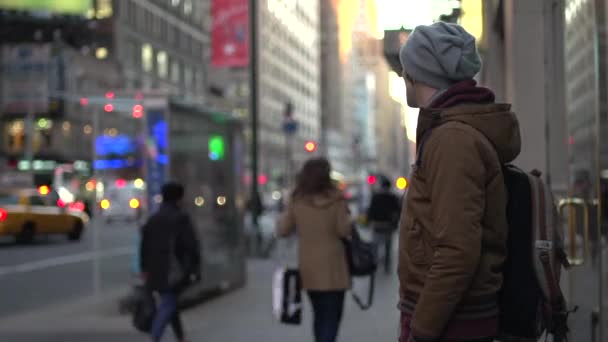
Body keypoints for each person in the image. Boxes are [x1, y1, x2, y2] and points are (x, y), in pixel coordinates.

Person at [397, 22, 521, 342]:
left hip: (451, 322)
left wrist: (421, 330)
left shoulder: (451, 140)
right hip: (451, 316)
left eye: (405, 70)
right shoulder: (451, 133)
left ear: (418, 74)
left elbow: (457, 250)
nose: (402, 78)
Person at [276, 158, 352, 342]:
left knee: (319, 315)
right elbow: (344, 230)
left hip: (309, 267)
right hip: (334, 268)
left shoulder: (297, 199)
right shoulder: (337, 198)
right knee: (332, 317)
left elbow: (283, 230)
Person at [140, 182, 201, 342]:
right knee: (169, 303)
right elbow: (191, 245)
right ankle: (155, 336)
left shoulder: (153, 219)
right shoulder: (181, 218)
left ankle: (180, 337)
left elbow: (144, 246)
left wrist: (144, 268)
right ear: (179, 198)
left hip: (155, 270)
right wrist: (195, 266)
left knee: (170, 301)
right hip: (175, 270)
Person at [367, 177, 401, 273]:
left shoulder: (376, 196)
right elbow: (398, 212)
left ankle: (374, 265)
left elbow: (370, 211)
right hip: (388, 226)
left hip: (377, 226)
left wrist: (369, 221)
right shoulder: (393, 198)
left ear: (381, 186)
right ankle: (386, 265)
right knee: (388, 247)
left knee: (375, 246)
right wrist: (394, 224)